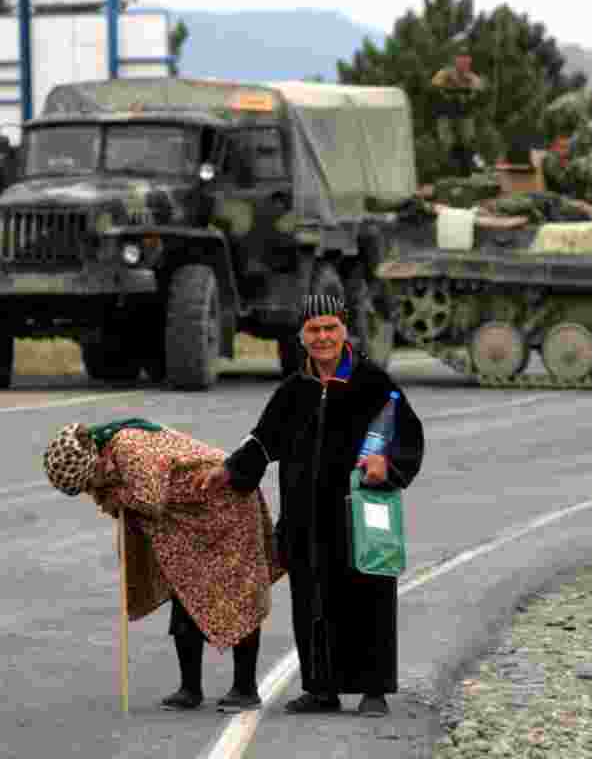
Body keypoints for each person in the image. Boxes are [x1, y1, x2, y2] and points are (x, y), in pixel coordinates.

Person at [201, 292, 425, 717]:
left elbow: (408, 435)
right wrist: (229, 470)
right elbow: (263, 440)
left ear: (345, 331)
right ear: (301, 337)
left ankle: (373, 689)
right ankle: (321, 689)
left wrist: (388, 464)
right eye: (313, 330)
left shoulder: (373, 383)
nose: (322, 337)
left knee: (368, 598)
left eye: (330, 328)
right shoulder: (294, 389)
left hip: (360, 513)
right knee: (312, 601)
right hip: (305, 517)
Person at [42, 419, 282, 712]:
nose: (92, 490)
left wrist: (114, 495)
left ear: (91, 463)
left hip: (226, 502)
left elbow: (149, 500)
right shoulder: (109, 453)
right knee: (184, 591)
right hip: (190, 515)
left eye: (88, 483)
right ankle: (190, 688)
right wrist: (113, 495)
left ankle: (245, 688)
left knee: (237, 592)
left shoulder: (127, 448)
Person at [431, 45, 488, 177]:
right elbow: (434, 84)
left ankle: (474, 167)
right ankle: (450, 170)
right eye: (461, 59)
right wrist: (448, 87)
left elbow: (480, 88)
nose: (464, 62)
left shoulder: (471, 77)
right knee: (447, 143)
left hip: (464, 114)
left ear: (469, 61)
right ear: (456, 60)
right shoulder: (446, 72)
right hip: (446, 113)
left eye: (466, 59)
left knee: (468, 142)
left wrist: (470, 88)